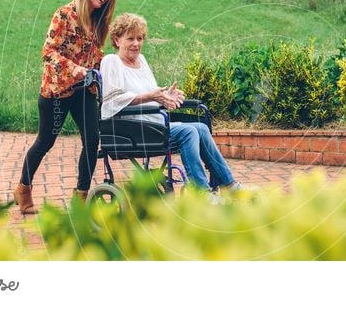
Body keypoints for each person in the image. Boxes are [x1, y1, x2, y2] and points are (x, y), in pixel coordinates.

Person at [99, 13, 242, 198]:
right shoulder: (111, 62)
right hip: (130, 129)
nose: (136, 43)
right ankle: (202, 193)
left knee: (201, 128)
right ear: (117, 40)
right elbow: (112, 101)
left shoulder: (141, 61)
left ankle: (230, 186)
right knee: (188, 131)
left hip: (153, 123)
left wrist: (166, 96)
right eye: (130, 38)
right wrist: (152, 96)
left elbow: (150, 93)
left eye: (140, 38)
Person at [15, 0, 118, 214]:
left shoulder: (98, 22)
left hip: (84, 92)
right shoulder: (64, 14)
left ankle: (80, 200)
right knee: (45, 142)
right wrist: (75, 69)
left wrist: (110, 67)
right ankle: (23, 189)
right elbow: (48, 52)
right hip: (57, 91)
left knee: (92, 141)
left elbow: (95, 55)